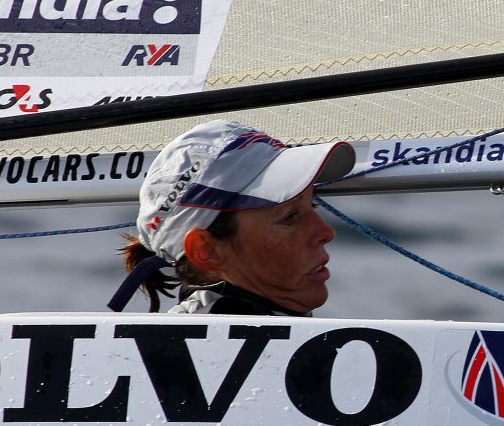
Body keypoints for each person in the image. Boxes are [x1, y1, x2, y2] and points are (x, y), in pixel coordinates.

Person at [111, 120, 355, 314]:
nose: (326, 233)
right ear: (206, 250)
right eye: (289, 217)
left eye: (312, 205)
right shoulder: (205, 351)